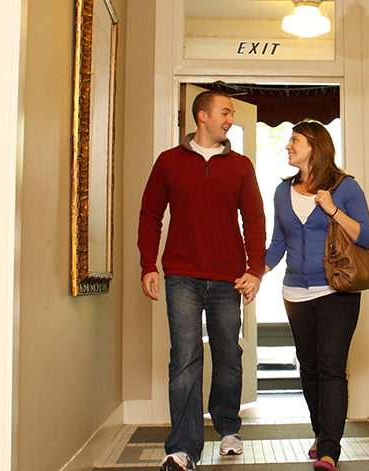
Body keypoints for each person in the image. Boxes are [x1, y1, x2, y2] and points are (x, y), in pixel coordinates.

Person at [138, 90, 266, 471]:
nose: (229, 119)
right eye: (224, 112)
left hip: (229, 278)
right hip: (182, 276)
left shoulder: (241, 166)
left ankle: (228, 427)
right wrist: (149, 265)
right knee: (185, 359)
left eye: (231, 113)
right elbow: (150, 215)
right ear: (202, 116)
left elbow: (255, 220)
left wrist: (254, 269)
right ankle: (182, 448)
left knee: (228, 354)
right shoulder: (168, 162)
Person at [264, 120, 369, 471]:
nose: (288, 146)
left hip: (335, 290)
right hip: (295, 292)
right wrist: (256, 272)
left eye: (294, 140)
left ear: (314, 146)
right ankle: (320, 432)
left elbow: (366, 237)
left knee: (330, 368)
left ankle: (329, 449)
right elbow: (278, 242)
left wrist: (332, 210)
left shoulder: (345, 188)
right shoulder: (283, 192)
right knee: (309, 369)